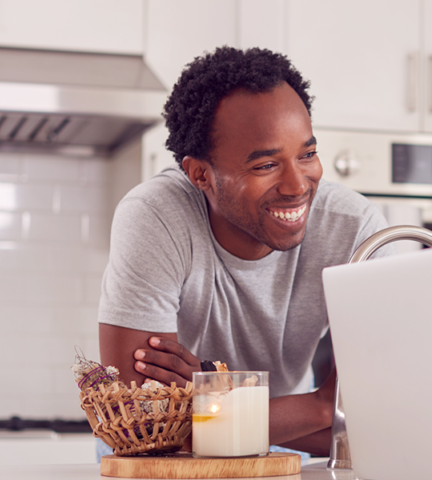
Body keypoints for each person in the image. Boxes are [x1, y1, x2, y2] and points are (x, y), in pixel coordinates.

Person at [98, 46, 389, 455]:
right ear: (200, 173)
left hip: (286, 453)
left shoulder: (355, 229)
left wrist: (212, 402)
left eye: (307, 154)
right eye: (265, 166)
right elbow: (145, 427)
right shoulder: (155, 217)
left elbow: (381, 422)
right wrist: (321, 406)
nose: (297, 185)